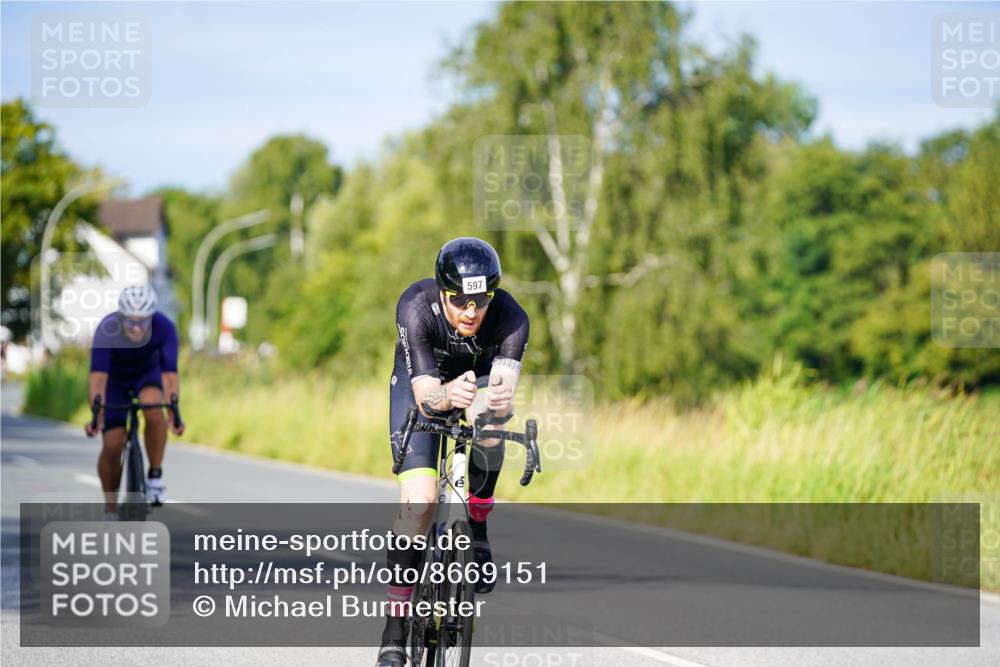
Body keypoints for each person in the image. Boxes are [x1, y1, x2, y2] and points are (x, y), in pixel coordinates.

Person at [376, 237, 530, 667]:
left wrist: (491, 404)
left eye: (480, 300)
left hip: (476, 381)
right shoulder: (415, 307)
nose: (470, 310)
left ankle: (477, 531)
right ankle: (394, 630)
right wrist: (447, 395)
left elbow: (502, 392)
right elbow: (427, 397)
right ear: (442, 292)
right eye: (459, 299)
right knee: (420, 504)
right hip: (419, 385)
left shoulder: (512, 319)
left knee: (492, 427)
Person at [84, 284, 183, 512]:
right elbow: (98, 378)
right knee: (113, 443)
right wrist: (96, 415)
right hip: (115, 381)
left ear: (151, 317)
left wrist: (174, 413)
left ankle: (155, 476)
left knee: (153, 406)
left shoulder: (164, 327)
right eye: (130, 321)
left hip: (147, 375)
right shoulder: (107, 328)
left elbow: (169, 376)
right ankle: (110, 507)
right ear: (121, 317)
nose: (137, 328)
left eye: (143, 321)